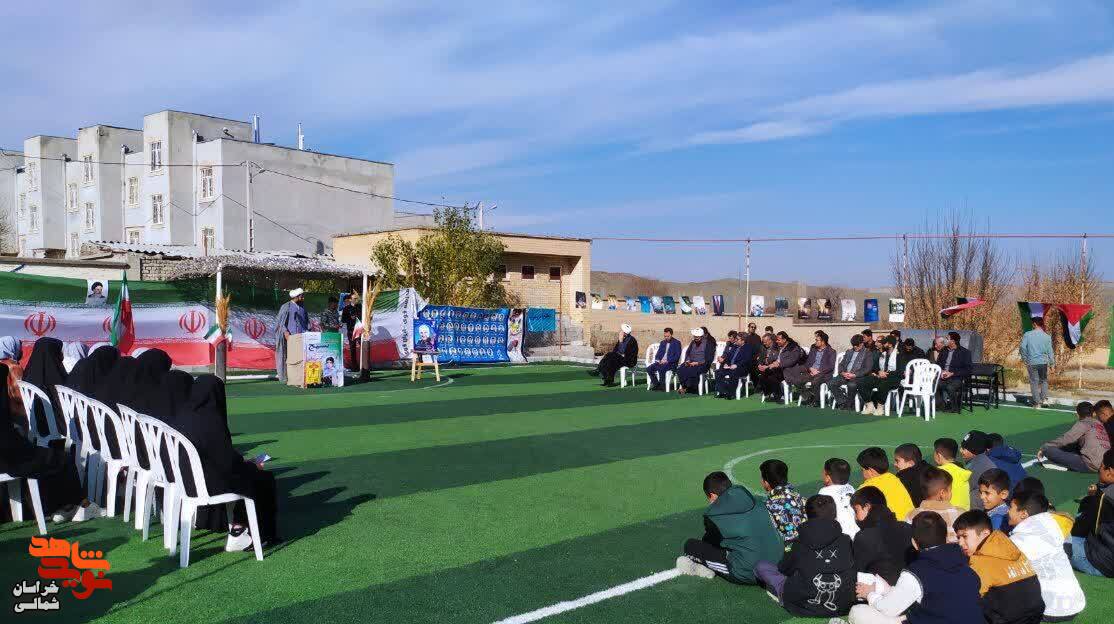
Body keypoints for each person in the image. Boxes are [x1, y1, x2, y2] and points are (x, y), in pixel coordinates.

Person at [174, 375, 280, 552]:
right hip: (206, 482)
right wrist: (250, 465)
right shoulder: (210, 420)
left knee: (249, 474)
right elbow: (227, 463)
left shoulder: (182, 415)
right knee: (262, 478)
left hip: (182, 479)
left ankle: (237, 527)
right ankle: (249, 533)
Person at [850, 511, 983, 624]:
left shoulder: (917, 571)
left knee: (858, 612)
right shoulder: (966, 566)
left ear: (914, 543)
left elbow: (888, 609)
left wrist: (870, 595)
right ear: (947, 537)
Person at [754, 494, 856, 617]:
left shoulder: (800, 542)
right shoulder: (846, 540)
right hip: (843, 604)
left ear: (807, 515)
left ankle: (781, 594)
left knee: (761, 567)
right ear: (835, 514)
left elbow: (784, 569)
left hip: (803, 604)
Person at [676, 471, 784, 583]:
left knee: (690, 546)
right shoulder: (756, 500)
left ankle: (705, 567)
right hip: (780, 563)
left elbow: (711, 543)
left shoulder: (713, 514)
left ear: (712, 495)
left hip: (749, 572)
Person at [953, 510, 1045, 624]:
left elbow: (967, 598)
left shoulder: (979, 562)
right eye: (958, 538)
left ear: (985, 533)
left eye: (964, 536)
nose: (960, 543)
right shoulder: (1012, 548)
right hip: (1036, 616)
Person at [1008, 491, 1086, 621]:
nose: (1008, 511)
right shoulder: (1052, 523)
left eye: (1011, 508)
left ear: (1023, 514)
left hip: (1050, 609)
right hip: (1075, 603)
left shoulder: (1018, 540)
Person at [850, 486, 914, 586]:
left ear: (867, 507)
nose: (855, 517)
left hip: (879, 592)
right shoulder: (908, 528)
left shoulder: (863, 537)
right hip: (910, 589)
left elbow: (858, 574)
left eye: (856, 511)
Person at [1069, 448, 1114, 577]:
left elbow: (1080, 529)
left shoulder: (1104, 497)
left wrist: (1091, 498)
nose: (1099, 470)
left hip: (1103, 563)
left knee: (1061, 538)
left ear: (1110, 471)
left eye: (1101, 466)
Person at [1038, 400, 1112, 472]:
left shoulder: (1083, 423)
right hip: (1105, 464)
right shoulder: (1100, 424)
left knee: (1049, 450)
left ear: (1077, 414)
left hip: (1091, 464)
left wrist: (1044, 447)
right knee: (1075, 444)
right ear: (1093, 413)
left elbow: (1067, 438)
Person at [904, 466, 963, 543]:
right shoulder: (960, 514)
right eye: (950, 490)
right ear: (942, 493)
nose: (951, 493)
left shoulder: (911, 516)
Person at [856, 447, 914, 519]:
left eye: (862, 470)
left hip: (892, 524)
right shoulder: (893, 478)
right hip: (911, 522)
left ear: (870, 470)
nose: (862, 473)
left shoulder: (865, 488)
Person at [760, 459, 806, 546]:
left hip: (785, 550)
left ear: (766, 483)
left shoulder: (767, 506)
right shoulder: (801, 499)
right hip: (807, 545)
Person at [784, 330, 836, 406]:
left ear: (823, 342)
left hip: (823, 374)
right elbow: (808, 362)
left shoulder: (831, 351)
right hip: (811, 371)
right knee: (797, 380)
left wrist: (818, 371)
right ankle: (808, 396)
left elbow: (831, 366)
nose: (815, 342)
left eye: (817, 340)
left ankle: (816, 401)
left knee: (815, 381)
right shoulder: (814, 349)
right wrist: (810, 368)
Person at [823, 334, 872, 410]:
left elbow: (867, 368)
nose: (855, 347)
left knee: (851, 385)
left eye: (857, 345)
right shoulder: (849, 352)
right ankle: (843, 402)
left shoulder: (867, 353)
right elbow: (841, 364)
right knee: (831, 383)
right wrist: (842, 372)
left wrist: (854, 375)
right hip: (845, 374)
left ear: (862, 344)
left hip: (857, 377)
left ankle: (849, 405)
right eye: (853, 345)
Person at [859, 336, 906, 415]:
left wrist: (886, 374)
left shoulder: (899, 355)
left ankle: (880, 407)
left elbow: (900, 371)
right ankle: (870, 405)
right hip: (880, 377)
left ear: (890, 345)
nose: (882, 344)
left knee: (883, 384)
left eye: (884, 343)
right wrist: (879, 372)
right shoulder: (882, 354)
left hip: (894, 379)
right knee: (862, 382)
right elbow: (875, 367)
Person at [1019, 316, 1054, 409]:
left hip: (1032, 362)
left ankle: (1037, 403)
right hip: (1043, 362)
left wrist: (1025, 358)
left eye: (1032, 324)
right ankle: (1044, 399)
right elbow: (1050, 351)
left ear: (1034, 324)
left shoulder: (1027, 334)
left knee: (1034, 382)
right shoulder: (1047, 336)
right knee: (1044, 381)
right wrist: (1052, 363)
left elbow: (1022, 347)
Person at [275, 288, 308, 383]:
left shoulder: (302, 307)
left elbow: (306, 321)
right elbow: (280, 322)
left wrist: (308, 332)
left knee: (301, 357)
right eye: (302, 296)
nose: (303, 298)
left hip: (302, 336)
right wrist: (285, 332)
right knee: (289, 358)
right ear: (297, 296)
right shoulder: (286, 306)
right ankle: (287, 377)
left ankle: (299, 377)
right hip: (290, 337)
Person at [819, 457, 858, 538]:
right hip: (858, 533)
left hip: (843, 536)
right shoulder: (851, 488)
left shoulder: (824, 492)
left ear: (828, 477)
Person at [759, 331, 803, 401]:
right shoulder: (780, 348)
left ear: (784, 340)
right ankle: (770, 392)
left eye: (778, 340)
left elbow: (791, 362)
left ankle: (779, 394)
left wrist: (777, 365)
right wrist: (768, 365)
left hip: (789, 370)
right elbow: (775, 359)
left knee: (772, 377)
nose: (776, 341)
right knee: (763, 375)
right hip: (779, 369)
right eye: (776, 340)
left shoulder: (794, 348)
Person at [933, 437, 972, 510]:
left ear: (939, 455)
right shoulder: (963, 471)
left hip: (947, 513)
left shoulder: (937, 473)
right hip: (964, 514)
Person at [960, 431, 996, 510]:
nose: (961, 451)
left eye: (964, 448)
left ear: (974, 450)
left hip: (977, 508)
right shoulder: (982, 461)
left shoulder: (974, 468)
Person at [937, 331, 972, 412]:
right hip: (943, 376)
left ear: (952, 341)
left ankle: (955, 407)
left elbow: (968, 369)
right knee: (934, 384)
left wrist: (952, 373)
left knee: (950, 387)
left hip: (957, 378)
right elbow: (938, 364)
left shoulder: (965, 352)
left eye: (947, 338)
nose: (944, 340)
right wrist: (941, 371)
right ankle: (941, 405)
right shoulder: (943, 350)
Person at [714, 332, 753, 398]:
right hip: (730, 366)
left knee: (733, 373)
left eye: (737, 339)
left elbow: (746, 360)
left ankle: (731, 393)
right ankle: (722, 392)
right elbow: (728, 356)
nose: (736, 340)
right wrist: (726, 363)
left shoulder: (748, 348)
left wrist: (736, 365)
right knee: (718, 372)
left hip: (741, 368)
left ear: (743, 341)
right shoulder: (734, 346)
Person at [676, 328, 713, 395]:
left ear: (701, 336)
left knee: (692, 370)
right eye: (695, 337)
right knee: (681, 369)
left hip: (702, 364)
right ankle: (685, 386)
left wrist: (697, 363)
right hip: (691, 362)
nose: (696, 338)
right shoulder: (693, 342)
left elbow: (709, 358)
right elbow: (688, 353)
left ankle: (689, 388)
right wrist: (687, 360)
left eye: (697, 337)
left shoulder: (708, 344)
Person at [1, 337, 25, 427]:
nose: (21, 351)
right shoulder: (14, 367)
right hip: (15, 415)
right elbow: (19, 395)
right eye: (19, 348)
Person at [754, 333, 781, 397]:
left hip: (774, 368)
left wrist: (767, 366)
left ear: (770, 340)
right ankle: (766, 390)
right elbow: (760, 358)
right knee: (754, 370)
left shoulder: (777, 348)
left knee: (768, 374)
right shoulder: (763, 348)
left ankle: (773, 392)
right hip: (764, 367)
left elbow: (776, 360)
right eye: (763, 342)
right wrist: (759, 365)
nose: (764, 343)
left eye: (765, 342)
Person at [340, 292, 362, 368]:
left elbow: (363, 317)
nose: (356, 300)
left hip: (360, 330)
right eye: (354, 298)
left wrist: (358, 317)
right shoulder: (346, 308)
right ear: (350, 299)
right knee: (352, 348)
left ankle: (364, 364)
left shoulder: (360, 306)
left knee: (363, 346)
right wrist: (350, 318)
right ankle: (354, 366)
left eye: (357, 298)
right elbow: (343, 320)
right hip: (351, 330)